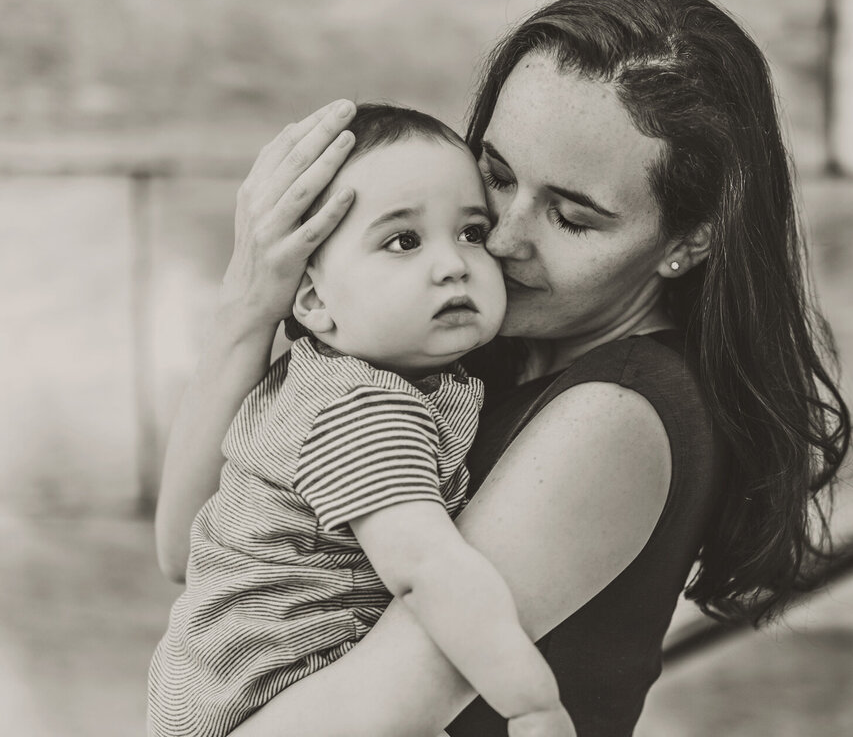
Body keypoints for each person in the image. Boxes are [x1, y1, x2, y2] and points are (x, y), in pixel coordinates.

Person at [154, 0, 851, 737]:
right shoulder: (450, 352)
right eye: (496, 175)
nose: (506, 238)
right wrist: (251, 304)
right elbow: (195, 549)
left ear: (689, 240)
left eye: (573, 218)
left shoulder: (615, 416)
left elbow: (365, 712)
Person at [149, 105, 574, 737]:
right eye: (403, 241)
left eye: (472, 232)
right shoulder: (363, 408)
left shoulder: (323, 374)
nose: (454, 264)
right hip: (267, 688)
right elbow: (430, 572)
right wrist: (530, 701)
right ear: (315, 299)